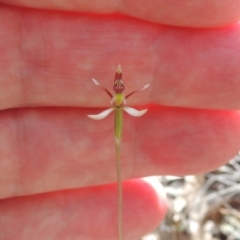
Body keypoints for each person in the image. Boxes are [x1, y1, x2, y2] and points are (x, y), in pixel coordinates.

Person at [0, 1, 240, 239]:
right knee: (117, 148)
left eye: (120, 86)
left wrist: (121, 102)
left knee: (120, 152)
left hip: (120, 111)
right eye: (117, 85)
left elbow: (129, 104)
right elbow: (112, 101)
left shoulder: (123, 97)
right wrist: (116, 102)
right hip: (116, 111)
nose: (118, 87)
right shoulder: (116, 97)